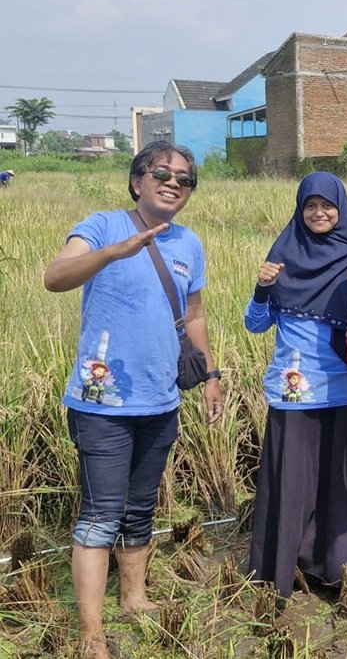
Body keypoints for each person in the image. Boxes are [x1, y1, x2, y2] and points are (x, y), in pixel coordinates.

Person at [43, 141, 223, 659]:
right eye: (161, 172)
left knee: (141, 507)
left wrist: (209, 375)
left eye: (184, 179)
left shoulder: (188, 243)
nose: (173, 183)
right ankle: (91, 631)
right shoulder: (101, 226)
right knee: (100, 514)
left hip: (161, 400)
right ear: (137, 179)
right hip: (102, 404)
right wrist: (112, 253)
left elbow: (194, 316)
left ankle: (135, 597)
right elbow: (54, 278)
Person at [245, 171, 347, 598]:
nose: (319, 213)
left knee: (340, 482)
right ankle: (283, 570)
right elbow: (255, 324)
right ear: (300, 211)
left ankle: (340, 569)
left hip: (344, 388)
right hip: (294, 390)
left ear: (341, 209)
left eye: (327, 206)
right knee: (293, 481)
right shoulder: (282, 258)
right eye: (310, 206)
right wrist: (262, 288)